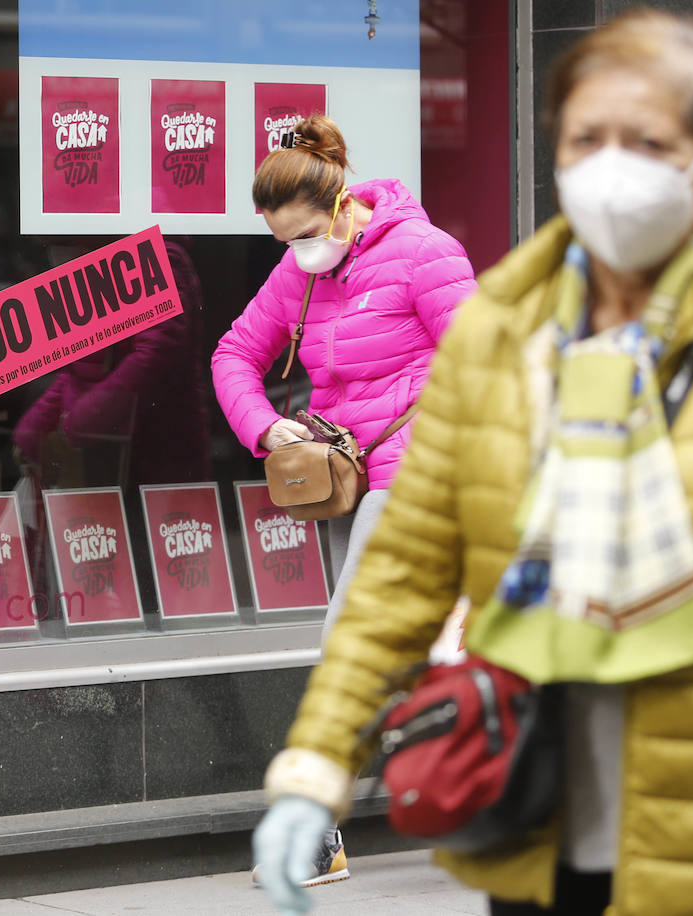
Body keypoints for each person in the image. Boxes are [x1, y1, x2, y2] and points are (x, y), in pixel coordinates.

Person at [252, 10, 693, 916]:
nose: (614, 165)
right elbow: (398, 581)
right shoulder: (500, 337)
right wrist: (317, 763)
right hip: (535, 826)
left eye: (648, 138)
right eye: (589, 137)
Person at [211, 115, 475, 885]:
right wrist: (267, 431)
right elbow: (235, 353)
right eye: (281, 242)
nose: (296, 255)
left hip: (421, 479)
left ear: (341, 207)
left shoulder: (426, 254)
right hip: (343, 482)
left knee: (348, 647)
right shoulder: (303, 269)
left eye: (302, 236)